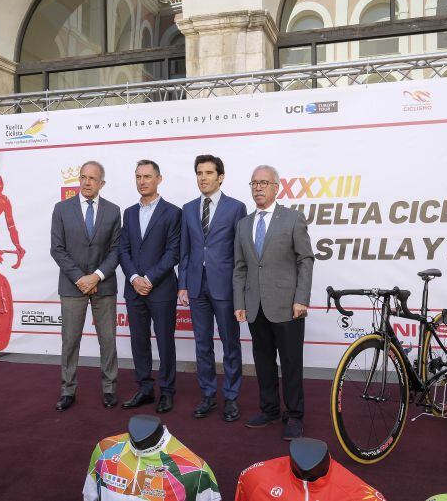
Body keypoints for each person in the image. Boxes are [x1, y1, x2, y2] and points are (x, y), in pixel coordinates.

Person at [233, 165, 314, 440]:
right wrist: (239, 301)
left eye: (264, 183)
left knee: (291, 363)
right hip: (255, 306)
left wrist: (301, 298)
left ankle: (295, 416)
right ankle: (268, 409)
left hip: (287, 306)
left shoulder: (293, 219)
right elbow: (240, 267)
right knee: (263, 361)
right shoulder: (243, 224)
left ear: (276, 187)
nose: (258, 187)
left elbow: (305, 260)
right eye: (254, 183)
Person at [178, 154, 247, 422]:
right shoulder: (188, 208)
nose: (203, 178)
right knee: (202, 343)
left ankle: (231, 396)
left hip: (226, 286)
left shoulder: (236, 208)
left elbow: (240, 253)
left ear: (220, 177)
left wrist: (240, 289)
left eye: (208, 173)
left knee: (230, 343)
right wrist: (182, 284)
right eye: (199, 173)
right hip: (196, 286)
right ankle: (208, 394)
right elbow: (185, 250)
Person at [50, 161, 121, 411]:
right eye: (83, 177)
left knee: (108, 339)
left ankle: (110, 388)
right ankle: (67, 390)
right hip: (72, 286)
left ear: (102, 183)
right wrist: (81, 278)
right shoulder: (61, 209)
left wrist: (97, 277)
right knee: (70, 340)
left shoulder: (113, 211)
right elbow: (57, 249)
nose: (87, 182)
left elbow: (116, 250)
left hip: (104, 285)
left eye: (92, 179)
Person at [119, 159, 182, 413]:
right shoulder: (129, 213)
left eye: (147, 176)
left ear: (159, 179)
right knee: (139, 340)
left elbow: (173, 251)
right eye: (138, 177)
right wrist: (135, 278)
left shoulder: (173, 212)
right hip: (134, 289)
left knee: (165, 341)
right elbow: (123, 249)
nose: (142, 181)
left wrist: (150, 278)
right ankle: (145, 388)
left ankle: (167, 391)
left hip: (162, 288)